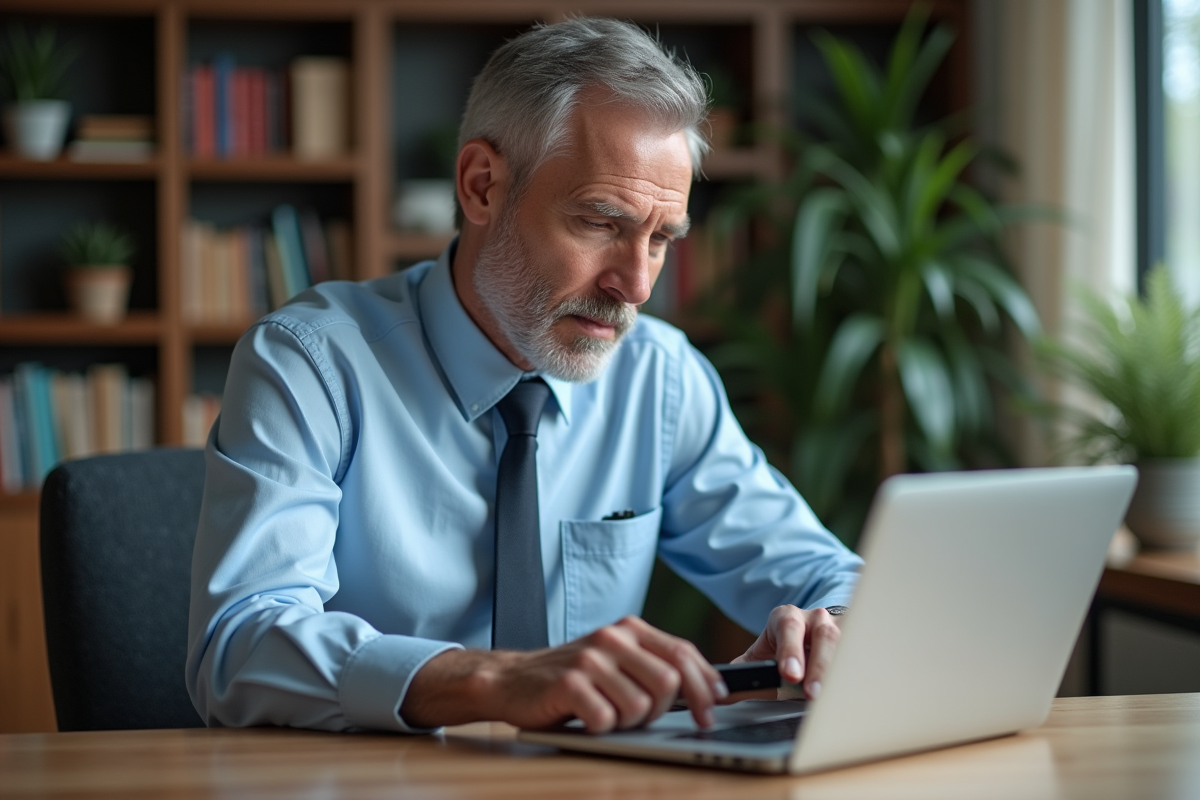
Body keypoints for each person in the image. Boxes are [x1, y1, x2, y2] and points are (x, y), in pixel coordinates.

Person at [186, 17, 862, 736]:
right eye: (601, 223)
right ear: (482, 187)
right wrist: (492, 681)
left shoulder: (659, 378)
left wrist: (833, 629)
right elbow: (239, 647)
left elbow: (824, 572)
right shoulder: (312, 364)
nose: (635, 285)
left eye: (660, 239)